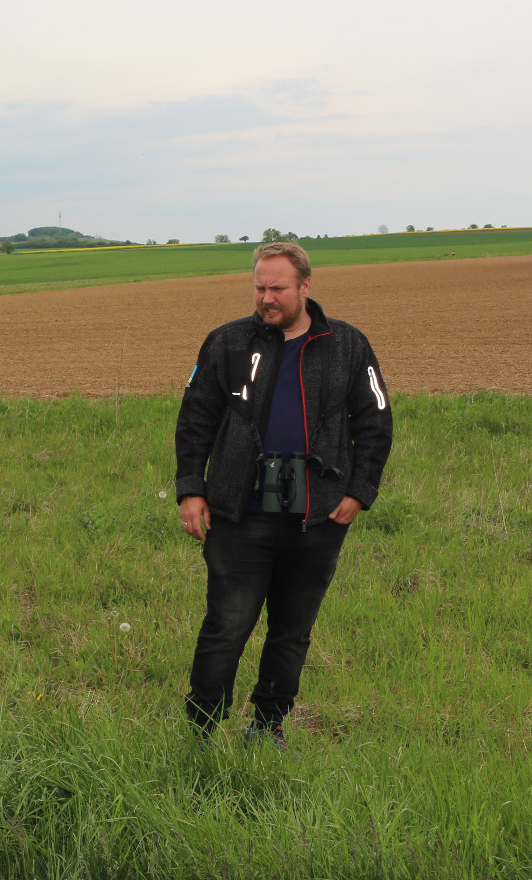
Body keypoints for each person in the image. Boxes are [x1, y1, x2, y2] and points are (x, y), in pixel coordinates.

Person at [174, 242, 392, 747]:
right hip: (239, 513)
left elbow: (375, 422)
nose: (267, 298)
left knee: (292, 631)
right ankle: (202, 730)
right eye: (259, 287)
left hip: (317, 518)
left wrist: (359, 492)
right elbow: (195, 420)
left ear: (306, 287)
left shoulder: (348, 345)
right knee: (227, 626)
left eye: (278, 288)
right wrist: (191, 489)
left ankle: (267, 726)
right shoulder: (227, 343)